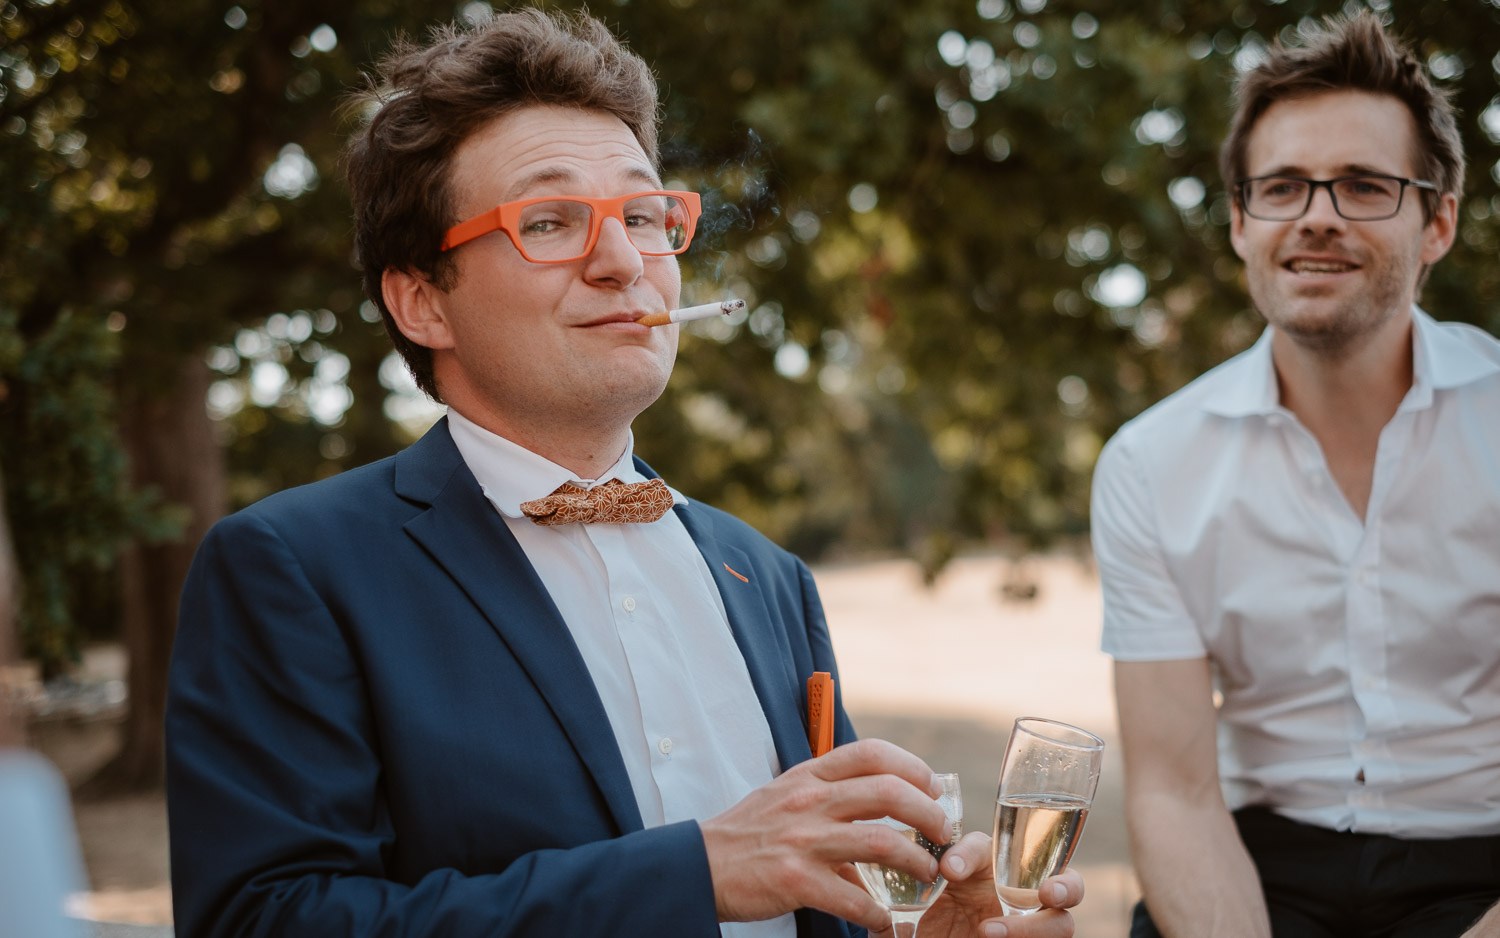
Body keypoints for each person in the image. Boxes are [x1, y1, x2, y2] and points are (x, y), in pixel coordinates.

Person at [165, 10, 1082, 938]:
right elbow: (266, 920)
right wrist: (696, 871)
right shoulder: (291, 567)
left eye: (643, 216)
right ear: (420, 300)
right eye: (551, 221)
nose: (622, 262)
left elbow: (816, 896)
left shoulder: (769, 578)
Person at [1090, 11, 1500, 938]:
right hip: (1255, 864)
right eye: (1282, 188)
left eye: (1362, 185)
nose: (1317, 214)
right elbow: (1175, 790)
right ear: (1241, 223)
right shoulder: (1150, 465)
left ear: (1436, 222)